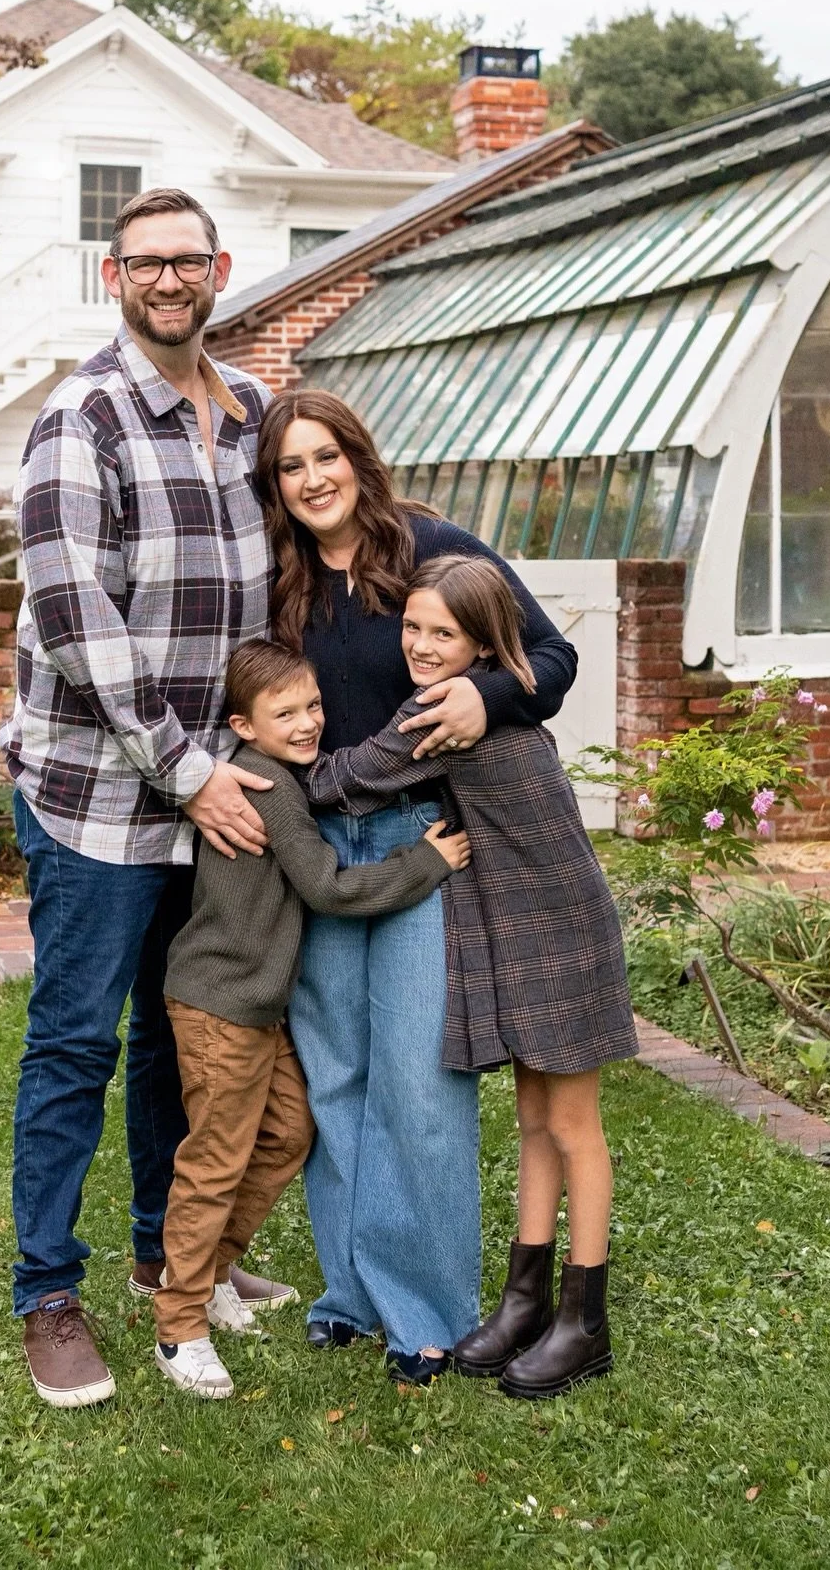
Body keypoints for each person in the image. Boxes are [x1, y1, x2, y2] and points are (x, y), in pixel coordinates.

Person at [1, 187, 295, 1411]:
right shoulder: (82, 419)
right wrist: (192, 771)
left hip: (212, 798)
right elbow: (80, 625)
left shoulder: (253, 417)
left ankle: (164, 1255)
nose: (170, 280)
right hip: (101, 797)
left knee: (191, 1043)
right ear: (111, 276)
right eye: (146, 263)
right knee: (78, 1044)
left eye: (189, 260)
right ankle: (45, 1295)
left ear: (219, 269)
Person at [255, 389, 579, 1384]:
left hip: (426, 841)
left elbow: (552, 659)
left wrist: (482, 696)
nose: (313, 480)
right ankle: (352, 1294)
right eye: (290, 468)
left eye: (326, 457)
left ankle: (431, 1313)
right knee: (337, 1079)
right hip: (317, 847)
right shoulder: (282, 583)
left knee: (418, 1083)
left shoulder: (432, 548)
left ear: (357, 455)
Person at [306, 554, 638, 1400]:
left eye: (439, 633)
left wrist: (268, 758)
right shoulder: (482, 692)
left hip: (559, 929)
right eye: (410, 627)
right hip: (521, 926)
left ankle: (583, 1320)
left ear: (481, 641)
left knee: (574, 1126)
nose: (417, 645)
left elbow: (347, 780)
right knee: (534, 1119)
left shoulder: (445, 716)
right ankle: (525, 1302)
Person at [153, 639, 469, 1398]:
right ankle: (178, 1324)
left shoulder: (279, 774)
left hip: (257, 1006)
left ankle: (214, 1270)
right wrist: (426, 863)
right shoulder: (268, 786)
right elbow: (327, 889)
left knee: (291, 1129)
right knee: (216, 1157)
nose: (307, 723)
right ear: (244, 725)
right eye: (284, 713)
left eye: (313, 706)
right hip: (221, 1004)